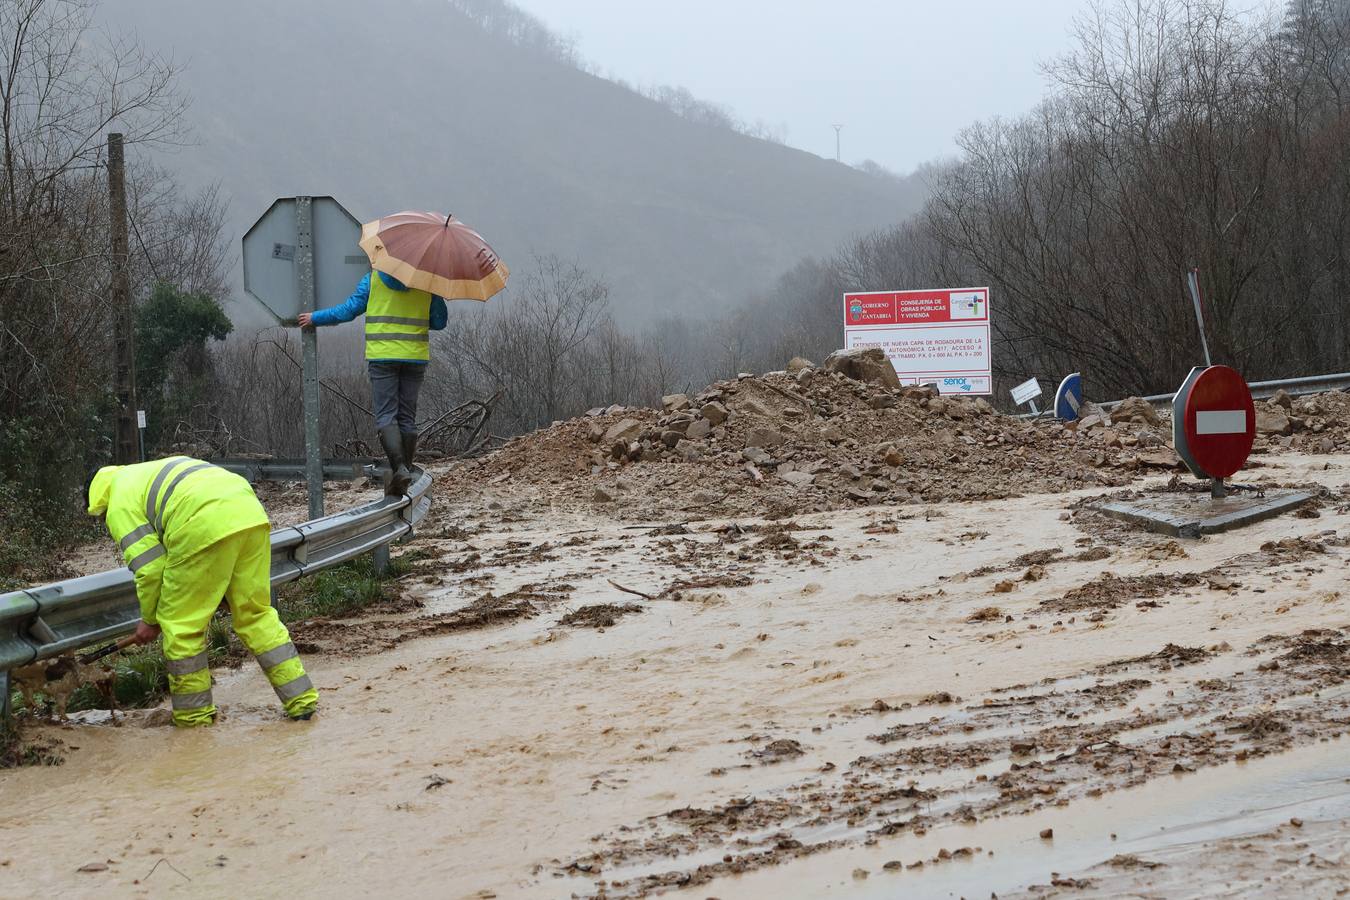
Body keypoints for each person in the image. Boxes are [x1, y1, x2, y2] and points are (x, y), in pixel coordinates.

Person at [86, 457, 319, 727]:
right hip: (249, 512)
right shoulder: (142, 474)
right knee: (256, 615)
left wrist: (151, 620)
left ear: (96, 503)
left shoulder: (117, 504)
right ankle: (303, 703)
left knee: (182, 629)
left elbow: (150, 569)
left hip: (202, 523)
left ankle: (194, 724)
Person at [298, 269, 448, 494]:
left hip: (382, 357)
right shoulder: (427, 282)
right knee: (407, 417)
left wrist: (315, 318)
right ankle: (404, 469)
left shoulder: (373, 280)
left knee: (386, 416)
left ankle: (399, 468)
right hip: (415, 357)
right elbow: (439, 322)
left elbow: (348, 311)